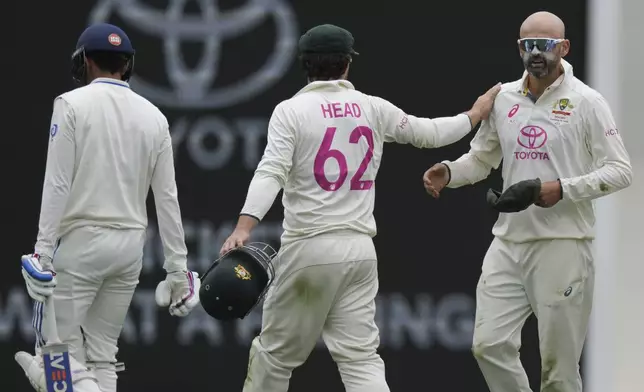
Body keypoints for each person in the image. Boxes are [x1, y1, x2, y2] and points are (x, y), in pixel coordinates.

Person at [220, 23, 501, 392]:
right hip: (359, 252)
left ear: (304, 64)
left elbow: (270, 172)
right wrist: (475, 114)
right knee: (360, 359)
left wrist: (244, 228)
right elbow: (432, 133)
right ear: (347, 65)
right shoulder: (372, 107)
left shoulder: (290, 111)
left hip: (310, 246)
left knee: (273, 357)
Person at [423, 11, 633, 392]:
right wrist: (450, 172)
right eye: (529, 45)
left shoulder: (586, 101)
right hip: (508, 243)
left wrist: (560, 188)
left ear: (564, 47)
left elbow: (620, 170)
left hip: (564, 244)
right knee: (488, 345)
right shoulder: (503, 98)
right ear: (520, 48)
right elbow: (483, 158)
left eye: (546, 45)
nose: (537, 53)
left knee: (558, 372)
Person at [15, 23, 200, 392]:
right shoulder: (155, 117)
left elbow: (57, 183)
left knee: (53, 356)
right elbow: (167, 198)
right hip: (130, 246)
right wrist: (178, 270)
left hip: (81, 242)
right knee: (101, 356)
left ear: (84, 60)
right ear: (127, 65)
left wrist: (43, 252)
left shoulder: (70, 104)